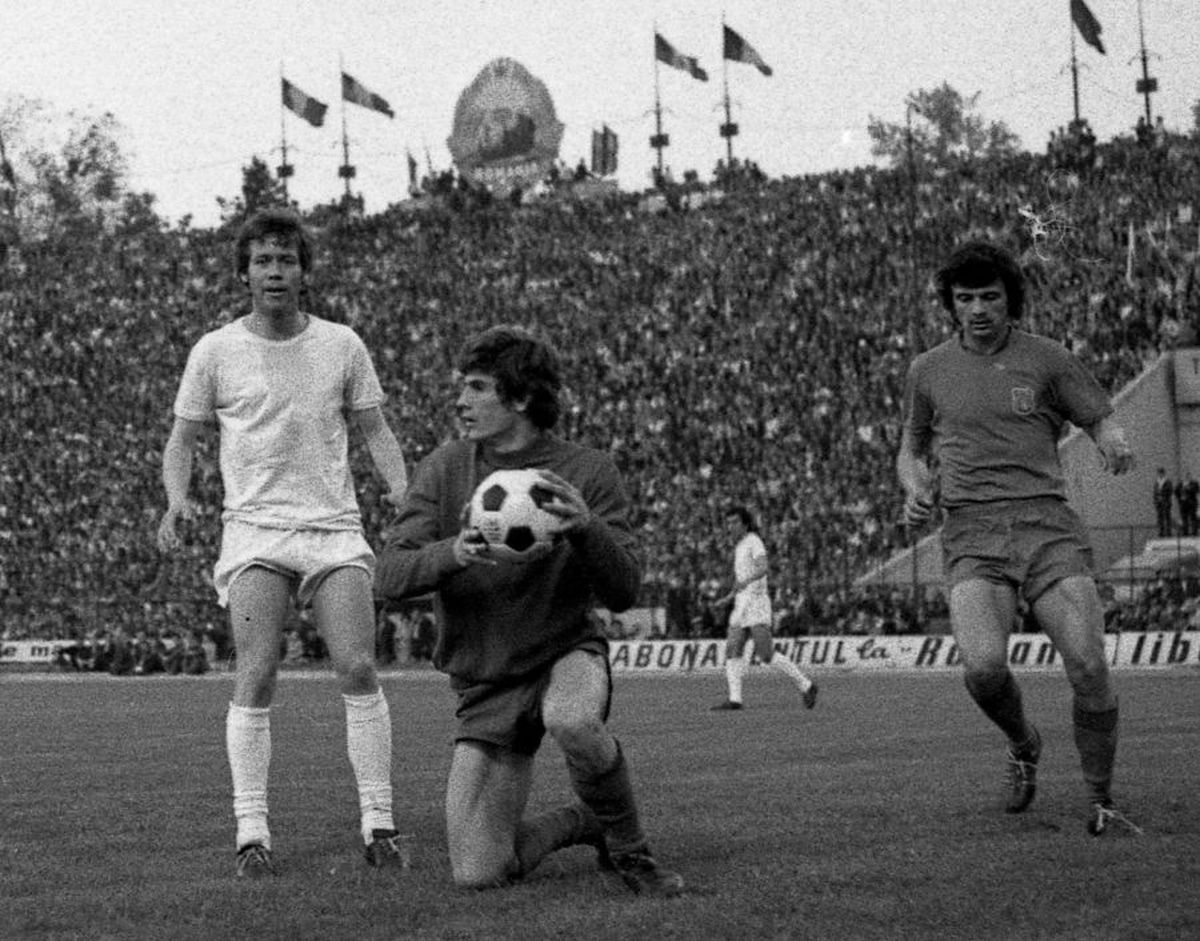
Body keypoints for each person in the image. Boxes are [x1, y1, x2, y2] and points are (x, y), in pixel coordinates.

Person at [374, 325, 683, 896]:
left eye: (476, 387)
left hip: (564, 651)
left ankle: (631, 850)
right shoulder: (444, 468)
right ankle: (584, 821)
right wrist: (454, 552)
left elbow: (624, 591)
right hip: (487, 679)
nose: (460, 401)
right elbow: (388, 575)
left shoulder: (587, 471)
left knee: (572, 719)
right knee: (478, 872)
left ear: (519, 397)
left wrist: (586, 528)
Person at [156, 208, 411, 877]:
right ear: (243, 273)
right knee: (257, 670)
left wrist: (402, 489)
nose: (275, 271)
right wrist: (177, 498)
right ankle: (252, 834)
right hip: (255, 531)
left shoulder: (342, 344)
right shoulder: (214, 351)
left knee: (358, 666)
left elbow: (375, 429)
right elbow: (182, 441)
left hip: (333, 528)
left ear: (303, 272)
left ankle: (379, 823)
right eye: (263, 261)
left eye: (287, 260)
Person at [897, 240, 1140, 836]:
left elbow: (1099, 415)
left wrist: (1111, 439)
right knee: (983, 669)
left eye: (989, 296)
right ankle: (1023, 742)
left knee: (1088, 664)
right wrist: (915, 486)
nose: (978, 309)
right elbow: (911, 449)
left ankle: (1101, 799)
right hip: (972, 531)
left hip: (1046, 527)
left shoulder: (1048, 359)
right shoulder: (928, 370)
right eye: (965, 299)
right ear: (951, 305)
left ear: (1010, 299)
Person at [710, 506, 818, 711]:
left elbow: (763, 567)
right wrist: (728, 598)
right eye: (728, 523)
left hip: (757, 602)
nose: (730, 526)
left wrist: (746, 582)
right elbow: (740, 579)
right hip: (741, 602)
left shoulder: (754, 541)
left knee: (765, 654)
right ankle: (735, 699)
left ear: (745, 524)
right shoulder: (739, 546)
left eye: (734, 522)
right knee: (732, 649)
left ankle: (807, 685)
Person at [1176, 472, 1198, 537]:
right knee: (1184, 518)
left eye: (1189, 476)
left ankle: (1194, 532)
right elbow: (1176, 491)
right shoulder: (1181, 484)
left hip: (1191, 504)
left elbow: (1195, 490)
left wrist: (1186, 487)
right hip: (1183, 504)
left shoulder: (1194, 483)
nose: (1188, 477)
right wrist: (1179, 499)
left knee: (1193, 518)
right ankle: (1185, 532)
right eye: (1187, 476)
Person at [1153, 468, 1174, 537]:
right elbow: (1155, 492)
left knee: (1167, 517)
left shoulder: (1168, 482)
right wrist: (1156, 500)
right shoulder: (1157, 482)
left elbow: (1170, 491)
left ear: (1163, 473)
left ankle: (1168, 532)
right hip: (1159, 502)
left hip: (1166, 502)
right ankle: (1161, 532)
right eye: (1159, 473)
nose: (1160, 474)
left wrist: (1163, 496)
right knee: (1160, 517)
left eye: (1161, 473)